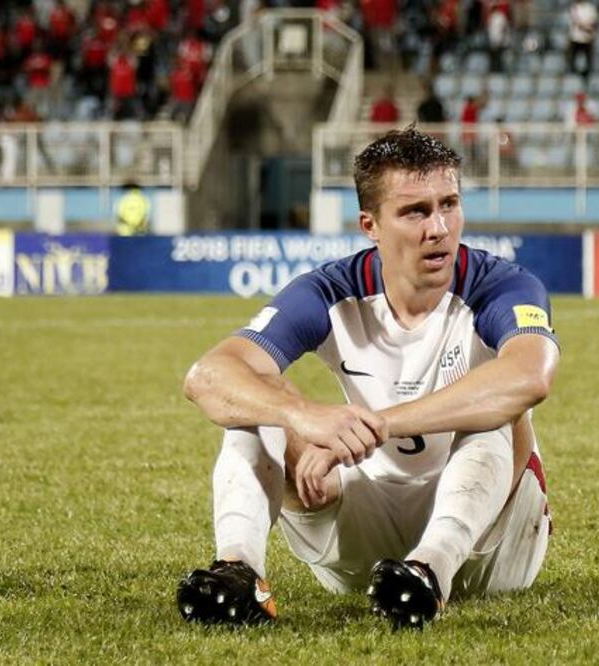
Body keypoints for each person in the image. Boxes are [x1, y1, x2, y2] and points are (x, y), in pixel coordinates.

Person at [176, 127, 559, 630]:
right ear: (370, 225)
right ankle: (239, 573)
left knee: (496, 409)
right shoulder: (332, 289)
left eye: (449, 204)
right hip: (361, 526)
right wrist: (304, 417)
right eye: (415, 211)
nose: (439, 227)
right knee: (255, 403)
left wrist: (373, 425)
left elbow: (530, 375)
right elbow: (208, 376)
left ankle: (430, 568)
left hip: (488, 548)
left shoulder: (502, 286)